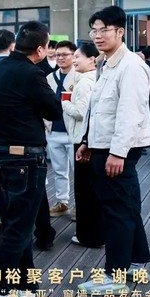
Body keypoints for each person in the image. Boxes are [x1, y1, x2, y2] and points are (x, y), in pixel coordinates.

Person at [0, 21, 62, 297]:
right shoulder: (31, 74)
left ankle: (24, 281)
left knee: (16, 221)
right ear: (40, 50)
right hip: (24, 159)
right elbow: (54, 110)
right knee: (19, 227)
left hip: (1, 155)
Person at [76, 6, 150, 295]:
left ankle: (114, 275)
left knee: (115, 212)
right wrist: (87, 141)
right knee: (126, 206)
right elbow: (98, 110)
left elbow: (130, 113)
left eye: (104, 29)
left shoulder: (130, 66)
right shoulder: (106, 63)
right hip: (103, 146)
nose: (97, 35)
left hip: (118, 149)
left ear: (120, 31)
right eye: (94, 30)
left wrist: (118, 152)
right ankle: (135, 261)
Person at [62, 43, 104, 248]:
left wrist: (64, 103)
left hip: (83, 140)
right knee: (89, 189)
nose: (74, 60)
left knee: (85, 190)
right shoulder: (93, 78)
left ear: (92, 59)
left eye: (78, 56)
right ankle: (92, 233)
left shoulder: (86, 82)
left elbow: (81, 112)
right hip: (88, 139)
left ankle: (88, 235)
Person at [45, 41, 78, 218]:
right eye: (58, 55)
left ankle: (80, 205)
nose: (60, 58)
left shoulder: (80, 76)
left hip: (73, 132)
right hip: (53, 130)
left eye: (65, 54)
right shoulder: (50, 77)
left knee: (78, 172)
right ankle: (62, 202)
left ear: (74, 56)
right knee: (58, 170)